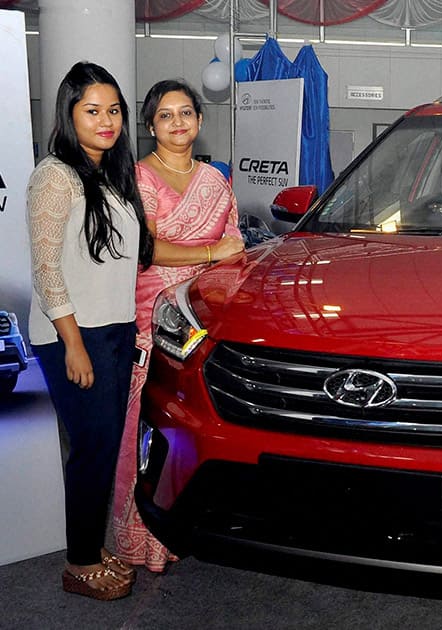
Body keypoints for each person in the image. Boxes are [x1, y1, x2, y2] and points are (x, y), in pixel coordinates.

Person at [28, 61, 154, 600]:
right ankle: (79, 563)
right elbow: (46, 268)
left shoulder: (112, 173)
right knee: (91, 450)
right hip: (74, 336)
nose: (107, 121)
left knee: (103, 448)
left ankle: (88, 544)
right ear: (69, 113)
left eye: (114, 111)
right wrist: (73, 343)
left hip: (114, 331)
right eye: (92, 110)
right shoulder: (54, 175)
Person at [110, 79, 244, 573]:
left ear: (201, 121)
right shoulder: (138, 180)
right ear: (149, 127)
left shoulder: (215, 181)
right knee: (146, 421)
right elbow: (147, 249)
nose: (178, 123)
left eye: (185, 113)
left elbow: (236, 247)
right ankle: (139, 536)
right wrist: (209, 253)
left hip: (205, 315)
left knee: (197, 419)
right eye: (165, 116)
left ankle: (187, 520)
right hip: (154, 313)